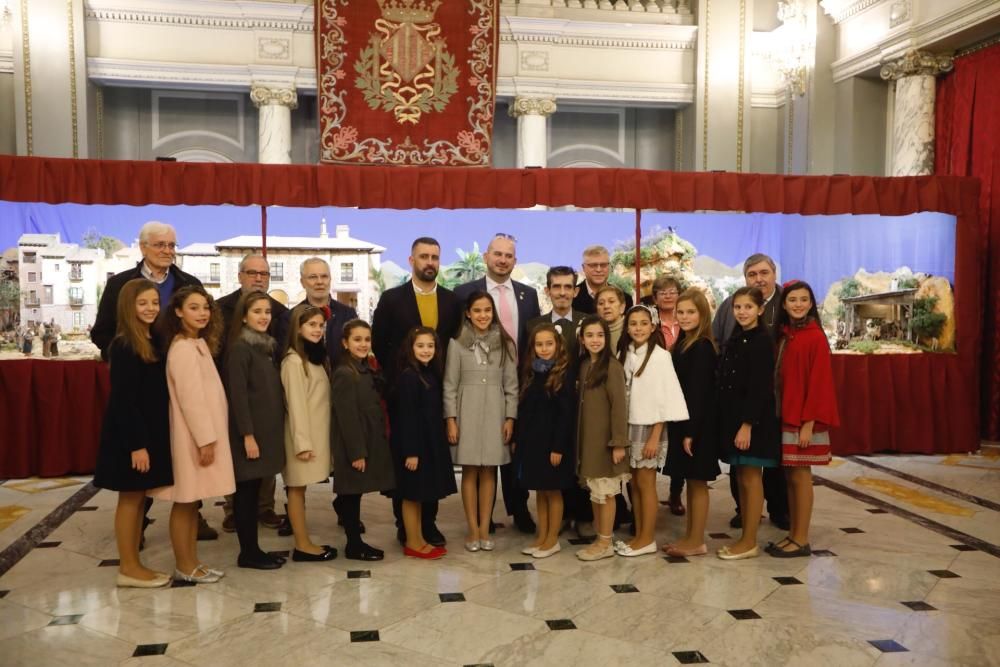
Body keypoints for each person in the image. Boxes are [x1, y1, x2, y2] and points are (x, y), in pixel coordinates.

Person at [91, 221, 216, 542]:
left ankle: (192, 511)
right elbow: (101, 331)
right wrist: (130, 356)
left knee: (183, 450)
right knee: (141, 462)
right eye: (160, 245)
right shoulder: (121, 284)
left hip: (180, 378)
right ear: (143, 247)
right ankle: (138, 525)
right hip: (142, 383)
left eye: (172, 246)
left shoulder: (188, 282)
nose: (167, 252)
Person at [372, 237, 461, 546]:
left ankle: (429, 522)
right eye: (424, 256)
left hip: (436, 390)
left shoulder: (451, 301)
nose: (430, 262)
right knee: (408, 459)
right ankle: (404, 524)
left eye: (435, 257)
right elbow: (378, 342)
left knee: (433, 456)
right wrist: (400, 377)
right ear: (411, 260)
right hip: (404, 392)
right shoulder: (392, 299)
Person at [454, 234, 539, 534]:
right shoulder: (464, 292)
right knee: (482, 455)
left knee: (512, 449)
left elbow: (531, 341)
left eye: (509, 255)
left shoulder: (529, 296)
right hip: (477, 386)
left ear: (515, 260)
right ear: (487, 256)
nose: (503, 260)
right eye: (498, 254)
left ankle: (519, 509)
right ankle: (482, 517)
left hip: (516, 383)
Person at [150, 286, 235, 583]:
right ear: (178, 311)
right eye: (194, 307)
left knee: (191, 502)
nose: (202, 313)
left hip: (202, 434)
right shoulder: (183, 348)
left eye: (205, 308)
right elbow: (191, 399)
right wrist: (205, 440)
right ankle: (185, 566)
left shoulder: (197, 344)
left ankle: (193, 563)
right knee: (185, 501)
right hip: (192, 438)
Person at [93, 278, 172, 588]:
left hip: (147, 433)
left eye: (154, 302)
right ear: (128, 307)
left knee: (140, 500)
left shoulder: (151, 339)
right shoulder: (125, 345)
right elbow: (123, 401)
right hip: (131, 437)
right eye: (143, 303)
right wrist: (137, 446)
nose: (151, 308)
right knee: (130, 499)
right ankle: (128, 566)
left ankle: (135, 565)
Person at [712, 253, 789, 531]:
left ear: (774, 273)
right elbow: (718, 341)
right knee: (742, 466)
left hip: (773, 399)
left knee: (771, 461)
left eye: (764, 273)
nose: (759, 279)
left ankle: (780, 509)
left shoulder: (787, 302)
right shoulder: (730, 306)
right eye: (752, 274)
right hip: (737, 402)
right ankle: (744, 510)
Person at [217, 254, 290, 534]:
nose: (258, 278)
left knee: (266, 456)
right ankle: (234, 510)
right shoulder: (222, 307)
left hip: (265, 394)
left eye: (264, 274)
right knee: (241, 458)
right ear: (240, 275)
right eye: (252, 273)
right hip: (235, 389)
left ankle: (264, 507)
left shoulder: (280, 311)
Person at [444, 291, 519, 552]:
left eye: (487, 310)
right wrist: (451, 419)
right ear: (468, 313)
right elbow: (450, 385)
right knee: (470, 471)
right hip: (467, 411)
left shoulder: (506, 344)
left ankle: (485, 527)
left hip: (496, 412)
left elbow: (512, 384)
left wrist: (510, 417)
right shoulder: (456, 344)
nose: (483, 315)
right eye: (477, 310)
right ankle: (472, 528)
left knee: (490, 470)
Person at [770, 280, 840, 558]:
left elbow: (820, 382)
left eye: (803, 300)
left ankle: (801, 539)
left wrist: (808, 424)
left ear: (811, 304)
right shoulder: (785, 334)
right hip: (786, 414)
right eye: (792, 300)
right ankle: (793, 534)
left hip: (803, 420)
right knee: (790, 478)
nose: (798, 305)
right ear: (784, 304)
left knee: (801, 478)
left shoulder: (814, 337)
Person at [616, 305, 688, 557]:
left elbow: (666, 398)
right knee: (634, 483)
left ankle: (648, 538)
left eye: (643, 323)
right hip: (628, 426)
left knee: (646, 483)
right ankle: (639, 535)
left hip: (649, 428)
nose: (638, 328)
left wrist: (656, 436)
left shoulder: (660, 356)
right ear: (627, 327)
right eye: (633, 323)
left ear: (653, 326)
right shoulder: (624, 353)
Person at [223, 291, 287, 570]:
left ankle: (255, 549)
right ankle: (248, 552)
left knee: (256, 491)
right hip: (250, 435)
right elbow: (237, 395)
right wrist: (247, 435)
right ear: (244, 316)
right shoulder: (239, 348)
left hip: (266, 432)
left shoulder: (265, 346)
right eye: (257, 311)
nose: (263, 317)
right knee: (246, 495)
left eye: (267, 312)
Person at [525, 266, 590, 538]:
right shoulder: (533, 325)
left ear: (575, 291)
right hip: (548, 406)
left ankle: (582, 515)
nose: (562, 292)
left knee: (579, 459)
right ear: (548, 290)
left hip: (582, 404)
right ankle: (556, 521)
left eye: (567, 287)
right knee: (553, 467)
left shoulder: (588, 322)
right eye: (556, 286)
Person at [716, 287, 780, 560]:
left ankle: (750, 540)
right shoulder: (738, 337)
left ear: (760, 310)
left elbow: (759, 388)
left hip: (753, 422)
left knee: (751, 477)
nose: (742, 312)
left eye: (748, 307)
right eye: (738, 307)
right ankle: (744, 536)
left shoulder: (762, 341)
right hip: (734, 418)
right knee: (741, 476)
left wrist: (747, 425)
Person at [388, 327, 455, 559]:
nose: (426, 350)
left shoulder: (429, 372)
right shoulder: (409, 376)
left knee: (420, 494)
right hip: (414, 446)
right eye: (420, 346)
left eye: (430, 346)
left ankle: (419, 537)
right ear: (410, 348)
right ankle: (413, 541)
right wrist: (411, 452)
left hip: (428, 443)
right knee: (411, 494)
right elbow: (406, 417)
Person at [330, 319, 395, 561]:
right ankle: (353, 545)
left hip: (369, 437)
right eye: (357, 340)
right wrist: (356, 452)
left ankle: (350, 527)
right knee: (351, 492)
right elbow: (346, 417)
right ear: (345, 343)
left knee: (354, 492)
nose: (363, 344)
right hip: (353, 443)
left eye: (367, 339)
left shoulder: (365, 367)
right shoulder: (345, 373)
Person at [662, 289, 720, 557]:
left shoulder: (702, 346)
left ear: (703, 314)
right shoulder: (685, 342)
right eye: (681, 312)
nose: (684, 317)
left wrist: (690, 433)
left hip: (697, 427)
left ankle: (696, 540)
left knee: (698, 483)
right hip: (684, 424)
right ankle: (690, 536)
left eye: (691, 312)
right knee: (691, 480)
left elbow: (699, 394)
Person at [515, 324, 576, 559]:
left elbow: (565, 414)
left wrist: (558, 446)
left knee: (553, 491)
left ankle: (552, 540)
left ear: (558, 345)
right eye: (539, 344)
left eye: (549, 344)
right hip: (533, 442)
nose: (544, 348)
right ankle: (541, 536)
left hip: (553, 444)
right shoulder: (532, 372)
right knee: (539, 491)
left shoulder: (563, 372)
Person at [280, 304, 337, 562]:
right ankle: (302, 545)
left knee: (300, 489)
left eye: (320, 325)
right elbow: (296, 406)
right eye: (311, 325)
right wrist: (302, 443)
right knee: (295, 489)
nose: (317, 330)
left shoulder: (314, 359)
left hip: (316, 434)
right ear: (298, 328)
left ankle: (305, 541)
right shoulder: (293, 361)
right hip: (300, 437)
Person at [574, 316, 630, 562]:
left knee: (606, 493)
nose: (595, 340)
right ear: (582, 339)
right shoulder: (585, 365)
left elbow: (619, 406)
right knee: (595, 492)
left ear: (606, 339)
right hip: (589, 441)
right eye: (590, 335)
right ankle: (600, 537)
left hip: (606, 442)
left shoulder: (612, 367)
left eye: (600, 335)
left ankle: (606, 541)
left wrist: (618, 442)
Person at [651, 275, 687, 516]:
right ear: (655, 297)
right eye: (662, 292)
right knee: (651, 442)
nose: (667, 296)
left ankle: (675, 492)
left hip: (682, 388)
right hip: (654, 388)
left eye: (672, 291)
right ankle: (647, 495)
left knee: (678, 442)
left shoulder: (686, 320)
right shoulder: (650, 323)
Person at [297, 257, 358, 364]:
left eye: (324, 276)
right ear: (302, 282)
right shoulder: (291, 317)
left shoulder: (348, 314)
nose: (320, 282)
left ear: (330, 279)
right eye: (313, 277)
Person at [572, 245, 634, 314]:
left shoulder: (625, 299)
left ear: (609, 267)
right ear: (583, 268)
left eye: (603, 265)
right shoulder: (572, 298)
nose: (599, 270)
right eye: (593, 265)